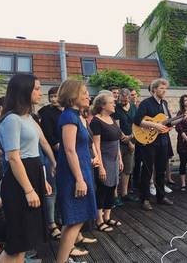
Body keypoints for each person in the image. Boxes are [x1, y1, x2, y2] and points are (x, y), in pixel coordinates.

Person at [0, 74, 53, 263]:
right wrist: (29, 189)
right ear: (23, 90)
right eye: (36, 88)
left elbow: (38, 147)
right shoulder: (12, 119)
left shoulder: (28, 117)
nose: (40, 92)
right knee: (16, 243)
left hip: (32, 173)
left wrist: (43, 178)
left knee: (25, 242)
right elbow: (13, 158)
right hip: (19, 182)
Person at [55, 80, 97, 263]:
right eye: (84, 92)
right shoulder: (69, 117)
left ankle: (62, 260)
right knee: (75, 219)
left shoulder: (74, 115)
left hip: (82, 170)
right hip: (74, 175)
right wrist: (80, 179)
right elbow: (69, 150)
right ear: (73, 96)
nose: (88, 95)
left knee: (74, 219)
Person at [133, 78, 174, 211]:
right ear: (154, 89)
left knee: (161, 170)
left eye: (165, 88)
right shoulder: (146, 103)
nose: (164, 90)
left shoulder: (165, 103)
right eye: (161, 88)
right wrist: (155, 125)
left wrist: (171, 125)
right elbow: (137, 120)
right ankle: (144, 199)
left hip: (163, 140)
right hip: (148, 141)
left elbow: (166, 122)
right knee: (147, 170)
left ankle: (161, 197)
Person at [90, 93, 124, 232]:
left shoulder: (112, 118)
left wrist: (120, 159)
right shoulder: (96, 122)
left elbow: (117, 141)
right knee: (102, 188)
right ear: (102, 105)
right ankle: (99, 220)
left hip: (114, 159)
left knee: (112, 187)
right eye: (112, 102)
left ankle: (107, 217)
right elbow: (96, 145)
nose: (114, 104)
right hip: (104, 160)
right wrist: (101, 167)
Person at [38, 86, 63, 240]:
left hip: (65, 156)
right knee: (51, 190)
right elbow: (48, 137)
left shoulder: (66, 111)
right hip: (52, 156)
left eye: (56, 96)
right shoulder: (46, 113)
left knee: (62, 189)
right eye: (51, 96)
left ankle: (60, 217)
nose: (53, 99)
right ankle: (51, 223)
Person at [113, 88, 137, 202]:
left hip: (132, 140)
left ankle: (124, 193)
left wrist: (131, 138)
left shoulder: (133, 107)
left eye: (125, 100)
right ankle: (114, 195)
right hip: (119, 142)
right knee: (117, 168)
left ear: (128, 98)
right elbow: (117, 126)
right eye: (121, 100)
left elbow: (136, 124)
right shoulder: (116, 109)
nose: (122, 102)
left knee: (127, 168)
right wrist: (126, 140)